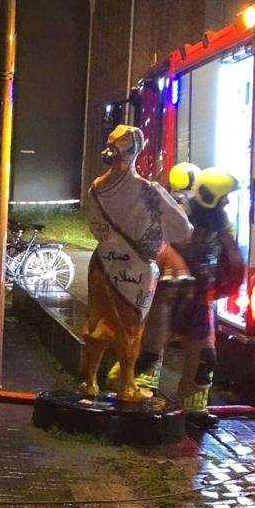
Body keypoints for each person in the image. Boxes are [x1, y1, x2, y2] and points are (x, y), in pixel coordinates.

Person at [79, 125, 192, 401]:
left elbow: (95, 227)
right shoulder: (148, 190)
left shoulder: (96, 188)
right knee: (131, 328)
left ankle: (90, 382)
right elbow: (183, 228)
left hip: (102, 262)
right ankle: (127, 387)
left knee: (97, 322)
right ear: (136, 151)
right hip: (136, 269)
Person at [170, 167, 242, 431]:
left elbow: (230, 257)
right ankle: (136, 395)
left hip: (200, 296)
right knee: (149, 347)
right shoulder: (179, 213)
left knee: (205, 355)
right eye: (224, 197)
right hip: (168, 292)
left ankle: (193, 407)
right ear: (211, 196)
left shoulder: (221, 222)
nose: (227, 202)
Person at [131, 161, 202, 390]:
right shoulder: (196, 207)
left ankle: (143, 380)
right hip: (185, 278)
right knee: (191, 340)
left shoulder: (165, 202)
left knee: (155, 332)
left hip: (163, 276)